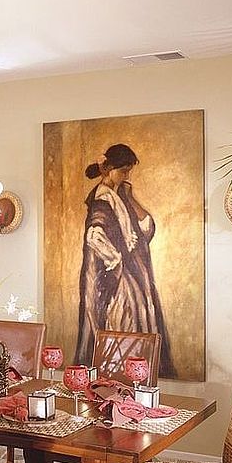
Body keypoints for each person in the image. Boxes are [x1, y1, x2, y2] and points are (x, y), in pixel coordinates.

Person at [74, 144, 175, 377]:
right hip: (116, 278)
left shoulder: (119, 195)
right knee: (123, 322)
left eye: (129, 171)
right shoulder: (102, 198)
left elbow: (144, 228)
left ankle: (133, 376)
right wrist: (116, 261)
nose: (127, 176)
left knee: (137, 319)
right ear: (108, 168)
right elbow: (94, 235)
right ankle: (122, 376)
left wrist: (130, 197)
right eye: (123, 171)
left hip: (130, 272)